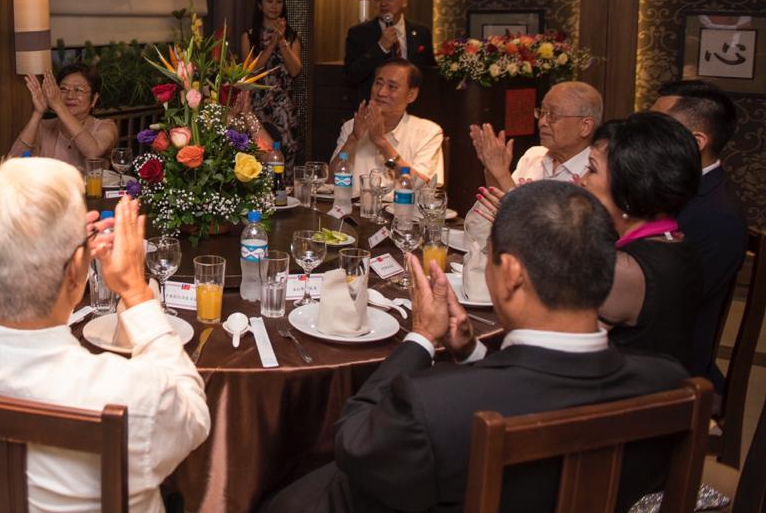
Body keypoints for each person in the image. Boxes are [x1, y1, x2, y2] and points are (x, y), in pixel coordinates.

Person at [262, 181, 689, 513]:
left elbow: (354, 444)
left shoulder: (435, 407)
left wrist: (421, 338)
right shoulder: (669, 384)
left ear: (512, 274)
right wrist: (471, 353)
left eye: (489, 254)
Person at [0, 157, 209, 512]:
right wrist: (136, 292)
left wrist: (62, 246)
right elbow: (194, 416)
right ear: (76, 273)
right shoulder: (130, 395)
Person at [580, 112, 703, 370]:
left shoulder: (624, 271)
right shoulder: (677, 242)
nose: (582, 180)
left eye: (591, 169)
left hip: (629, 391)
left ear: (627, 192)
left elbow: (561, 349)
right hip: (668, 382)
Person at [651, 79, 747, 394]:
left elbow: (669, 305)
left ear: (696, 142)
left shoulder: (718, 216)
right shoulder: (670, 187)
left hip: (670, 369)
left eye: (657, 128)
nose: (644, 137)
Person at [463, 81, 602, 233]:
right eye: (541, 113)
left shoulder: (595, 173)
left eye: (553, 116)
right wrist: (492, 168)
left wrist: (502, 174)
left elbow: (542, 236)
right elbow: (496, 213)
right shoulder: (534, 155)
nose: (542, 122)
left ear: (585, 126)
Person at [329, 59, 443, 186]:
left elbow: (424, 188)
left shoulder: (428, 133)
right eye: (378, 83)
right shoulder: (352, 126)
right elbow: (330, 182)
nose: (381, 92)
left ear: (411, 95)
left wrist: (382, 143)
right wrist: (353, 139)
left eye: (392, 87)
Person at [8, 62, 119, 173]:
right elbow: (13, 161)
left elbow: (93, 153)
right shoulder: (44, 127)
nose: (70, 96)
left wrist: (58, 105)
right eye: (63, 89)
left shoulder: (106, 126)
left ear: (94, 99)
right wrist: (37, 113)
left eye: (78, 90)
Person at [240, 0, 303, 168]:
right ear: (260, 5)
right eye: (269, 1)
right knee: (258, 157)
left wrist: (281, 40)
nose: (274, 6)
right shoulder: (249, 36)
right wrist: (271, 44)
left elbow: (295, 70)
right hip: (257, 106)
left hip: (283, 107)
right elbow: (250, 71)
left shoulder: (292, 36)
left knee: (285, 157)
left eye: (279, 2)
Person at [343, 0, 434, 97]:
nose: (383, 3)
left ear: (404, 0)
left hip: (413, 102)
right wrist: (381, 47)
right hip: (375, 102)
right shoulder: (358, 33)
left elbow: (430, 72)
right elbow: (351, 76)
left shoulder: (422, 33)